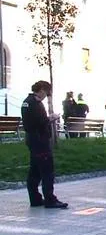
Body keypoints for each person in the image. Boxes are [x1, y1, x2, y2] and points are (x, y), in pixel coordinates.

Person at [21, 81, 68, 209]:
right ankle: (50, 199)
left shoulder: (26, 101)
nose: (46, 96)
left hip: (31, 140)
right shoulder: (36, 104)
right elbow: (41, 122)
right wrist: (51, 118)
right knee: (47, 171)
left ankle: (35, 198)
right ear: (41, 90)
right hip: (40, 141)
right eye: (46, 93)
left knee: (34, 171)